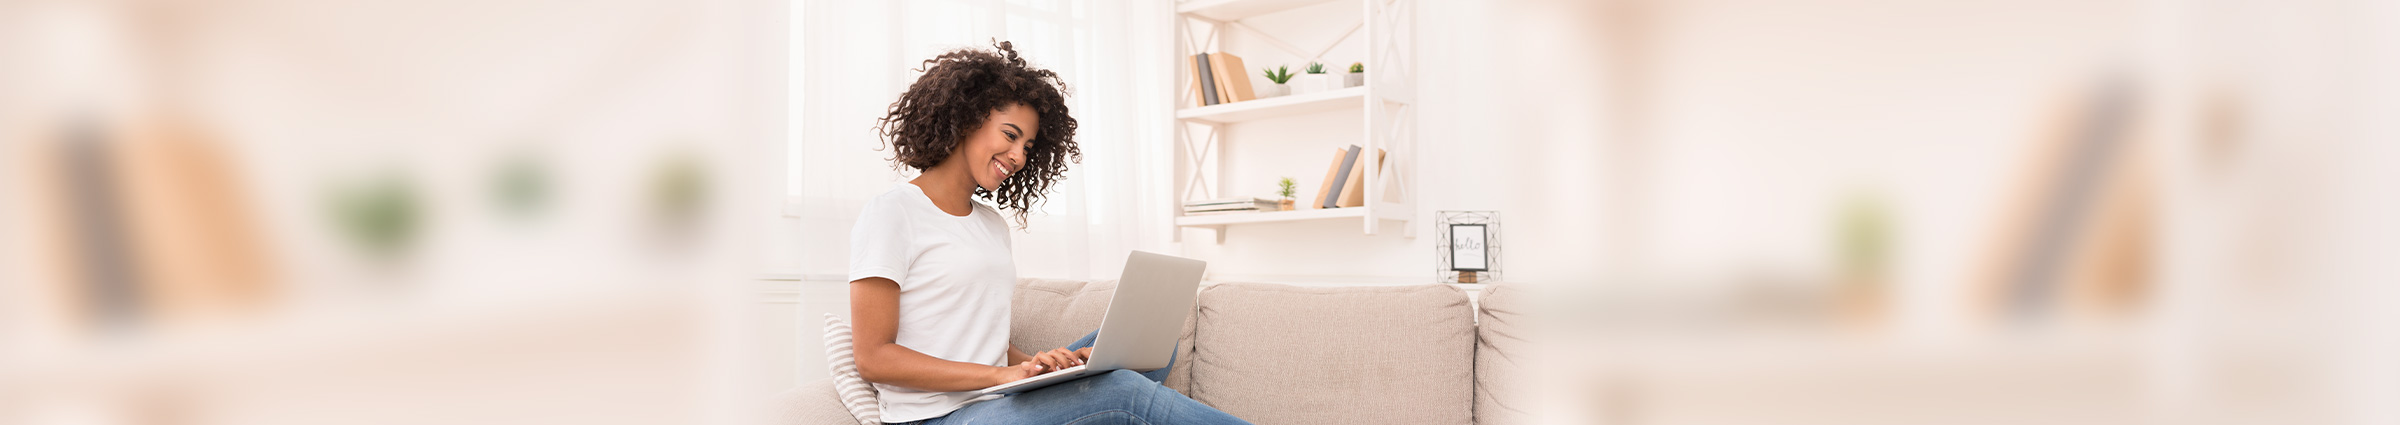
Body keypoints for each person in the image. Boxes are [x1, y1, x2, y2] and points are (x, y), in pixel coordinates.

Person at [845, 40, 1249, 425]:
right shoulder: (893, 213)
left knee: (1149, 352)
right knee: (1123, 390)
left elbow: (983, 341)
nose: (1019, 156)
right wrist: (1000, 377)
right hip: (937, 416)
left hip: (995, 399)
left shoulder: (990, 224)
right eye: (1010, 135)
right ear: (966, 119)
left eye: (1028, 145)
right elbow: (874, 357)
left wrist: (1036, 365)